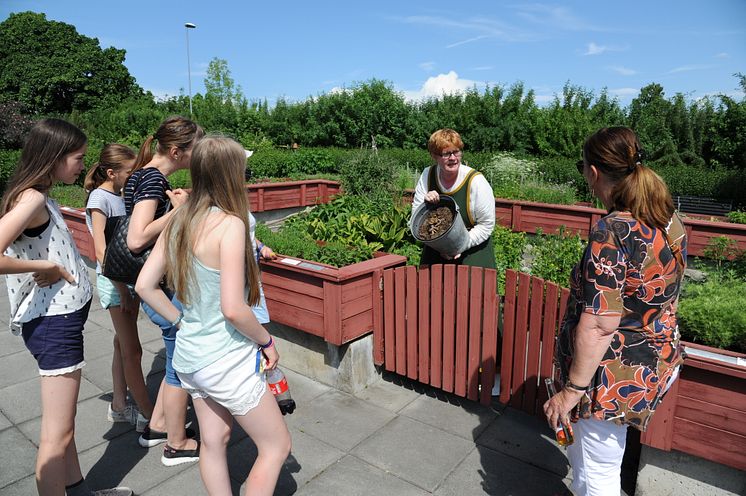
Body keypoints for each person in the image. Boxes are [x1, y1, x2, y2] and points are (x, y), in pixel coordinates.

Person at [136, 135, 291, 495]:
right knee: (276, 446)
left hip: (191, 357)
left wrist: (179, 321)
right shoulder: (231, 225)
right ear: (231, 174)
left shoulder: (179, 219)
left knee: (214, 440)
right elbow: (234, 309)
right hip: (225, 361)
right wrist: (267, 341)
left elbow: (145, 285)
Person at [543, 127, 687, 496]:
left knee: (602, 475)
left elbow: (599, 325)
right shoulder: (666, 216)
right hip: (654, 356)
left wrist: (571, 392)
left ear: (593, 172)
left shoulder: (613, 230)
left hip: (611, 375)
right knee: (593, 465)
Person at [0, 118, 132, 495]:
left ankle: (77, 490)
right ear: (54, 157)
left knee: (65, 427)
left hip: (57, 322)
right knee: (57, 435)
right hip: (53, 326)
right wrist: (44, 266)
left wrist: (42, 264)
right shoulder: (33, 198)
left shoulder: (35, 194)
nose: (81, 165)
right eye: (77, 157)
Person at [124, 116, 203, 465]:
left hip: (148, 282)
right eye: (194, 148)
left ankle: (156, 426)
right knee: (179, 365)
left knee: (174, 357)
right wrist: (181, 210)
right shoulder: (154, 179)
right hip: (156, 285)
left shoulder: (143, 174)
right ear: (176, 151)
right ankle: (177, 442)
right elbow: (137, 237)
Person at [84, 144, 152, 430]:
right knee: (132, 350)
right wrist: (123, 289)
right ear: (111, 172)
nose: (133, 176)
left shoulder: (119, 194)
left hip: (126, 279)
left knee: (120, 342)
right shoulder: (99, 199)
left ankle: (119, 406)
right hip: (116, 283)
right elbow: (101, 251)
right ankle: (150, 416)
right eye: (129, 171)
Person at [409, 128, 496, 268]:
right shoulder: (427, 175)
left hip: (472, 251)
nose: (453, 158)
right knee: (432, 289)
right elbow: (416, 222)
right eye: (446, 154)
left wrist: (460, 245)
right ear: (434, 155)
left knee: (471, 290)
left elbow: (487, 224)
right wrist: (426, 206)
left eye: (456, 152)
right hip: (436, 250)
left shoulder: (476, 181)